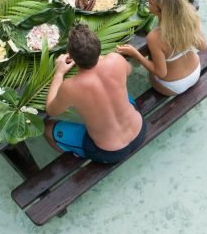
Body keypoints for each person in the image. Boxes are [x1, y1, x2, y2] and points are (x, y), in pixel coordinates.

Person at [45, 24, 146, 163]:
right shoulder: (115, 59)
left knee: (47, 128)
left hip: (110, 152)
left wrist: (59, 73)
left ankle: (77, 155)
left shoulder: (70, 86)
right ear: (99, 48)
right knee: (118, 91)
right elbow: (128, 70)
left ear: (72, 56)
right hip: (140, 130)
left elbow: (51, 110)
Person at [117, 0, 207, 95]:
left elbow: (161, 73)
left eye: (151, 2)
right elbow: (203, 46)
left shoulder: (155, 37)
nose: (148, 0)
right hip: (195, 71)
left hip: (174, 86)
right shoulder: (191, 16)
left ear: (161, 12)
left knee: (151, 55)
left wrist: (136, 54)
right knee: (159, 51)